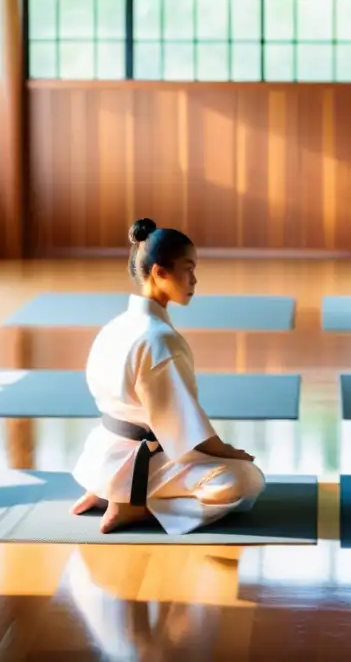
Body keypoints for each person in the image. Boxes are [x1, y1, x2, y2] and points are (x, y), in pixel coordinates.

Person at [70, 218, 265, 534]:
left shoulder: (116, 326)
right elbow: (180, 426)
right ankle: (137, 505)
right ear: (160, 272)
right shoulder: (159, 339)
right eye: (187, 269)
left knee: (223, 466)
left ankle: (108, 490)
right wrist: (228, 452)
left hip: (102, 455)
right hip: (139, 462)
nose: (194, 280)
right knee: (245, 478)